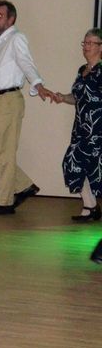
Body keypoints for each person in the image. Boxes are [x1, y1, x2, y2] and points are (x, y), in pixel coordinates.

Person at [0, 0, 56, 215]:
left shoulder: (16, 38)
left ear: (11, 19)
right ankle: (23, 185)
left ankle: (5, 202)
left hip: (9, 100)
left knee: (5, 153)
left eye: (0, 15)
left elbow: (26, 62)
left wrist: (38, 84)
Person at [53, 28, 102, 222]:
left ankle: (91, 207)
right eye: (85, 43)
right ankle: (90, 206)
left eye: (91, 43)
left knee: (92, 168)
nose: (86, 47)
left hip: (97, 129)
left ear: (100, 47)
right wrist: (62, 97)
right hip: (81, 128)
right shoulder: (82, 70)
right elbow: (77, 97)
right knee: (73, 164)